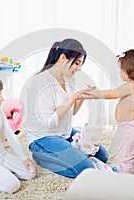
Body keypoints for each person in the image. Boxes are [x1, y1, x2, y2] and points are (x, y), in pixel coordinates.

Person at [25, 38, 109, 178]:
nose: (79, 68)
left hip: (65, 133)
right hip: (43, 137)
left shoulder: (69, 78)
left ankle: (60, 154)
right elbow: (49, 122)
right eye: (76, 63)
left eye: (80, 64)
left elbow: (73, 111)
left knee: (102, 155)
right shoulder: (41, 81)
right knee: (86, 169)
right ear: (63, 58)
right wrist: (74, 98)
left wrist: (82, 96)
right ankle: (40, 156)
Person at [85, 49, 134, 174]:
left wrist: (96, 94)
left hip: (130, 128)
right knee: (122, 152)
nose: (119, 72)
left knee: (127, 156)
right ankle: (122, 169)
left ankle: (127, 176)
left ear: (130, 69)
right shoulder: (133, 83)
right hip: (125, 126)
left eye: (121, 69)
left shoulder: (132, 85)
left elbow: (112, 93)